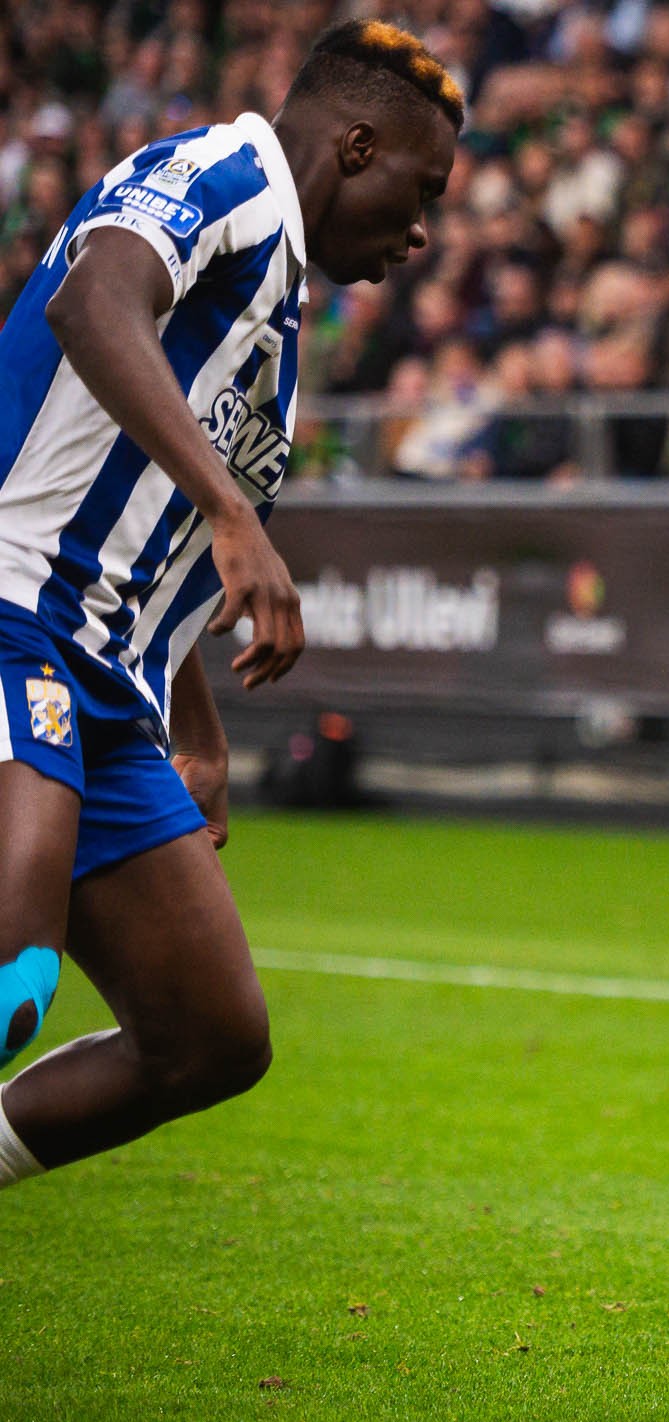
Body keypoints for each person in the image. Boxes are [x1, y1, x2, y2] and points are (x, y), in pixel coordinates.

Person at [0, 20, 462, 1191]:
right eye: (422, 191)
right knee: (11, 973)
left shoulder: (281, 323)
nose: (422, 232)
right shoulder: (224, 176)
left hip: (111, 680)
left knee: (209, 1035)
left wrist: (195, 725)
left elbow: (159, 530)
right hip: (14, 604)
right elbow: (93, 302)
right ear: (356, 146)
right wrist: (232, 511)